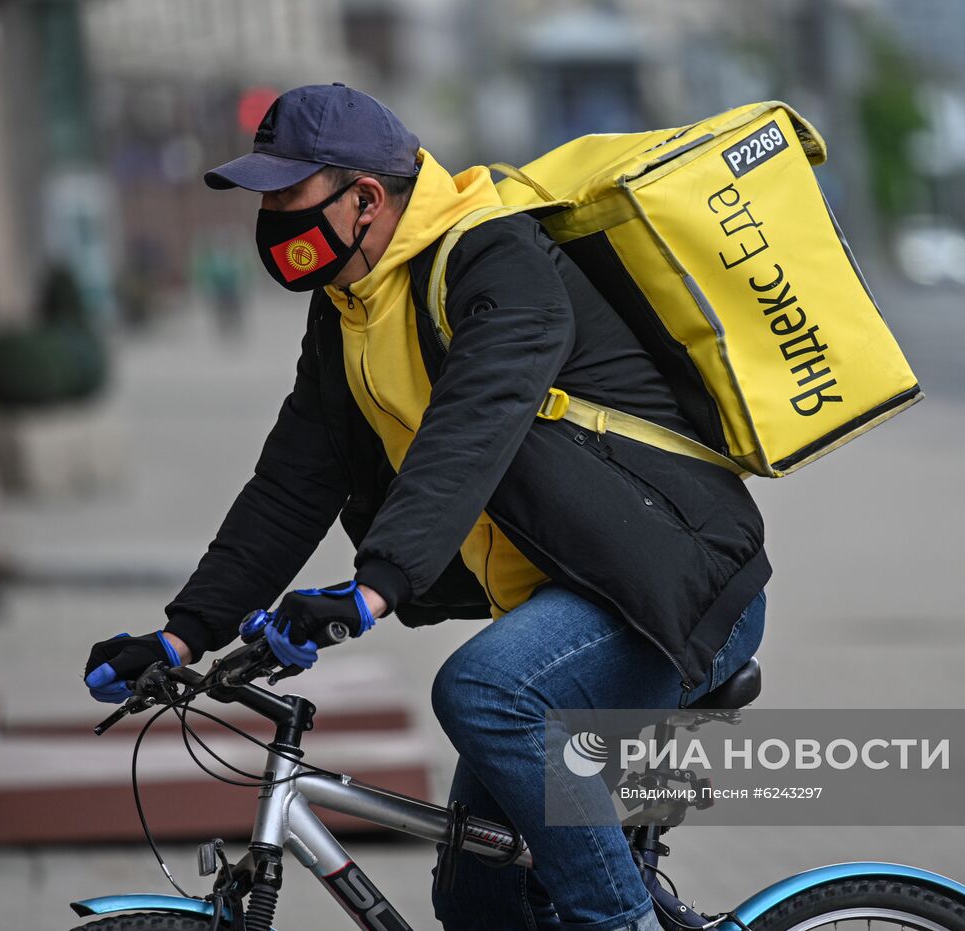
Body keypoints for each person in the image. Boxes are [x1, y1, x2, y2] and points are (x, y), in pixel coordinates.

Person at [83, 83, 770, 931]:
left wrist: (371, 589)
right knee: (480, 896)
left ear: (365, 198)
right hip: (581, 597)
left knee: (483, 689)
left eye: (286, 196)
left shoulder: (495, 258)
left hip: (677, 589)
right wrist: (183, 631)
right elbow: (292, 483)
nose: (270, 219)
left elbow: (471, 428)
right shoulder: (345, 310)